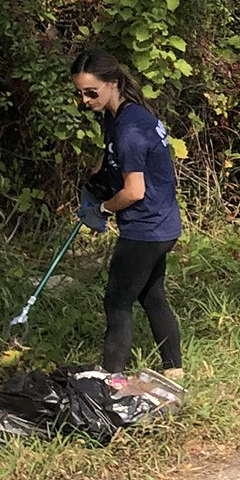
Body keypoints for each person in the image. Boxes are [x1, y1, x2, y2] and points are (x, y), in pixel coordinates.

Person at [71, 48, 185, 382]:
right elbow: (110, 159)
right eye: (79, 93)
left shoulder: (130, 130)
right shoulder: (121, 115)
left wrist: (103, 210)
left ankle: (112, 379)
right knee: (152, 295)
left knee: (117, 302)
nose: (85, 99)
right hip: (163, 224)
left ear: (114, 83)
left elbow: (134, 190)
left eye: (92, 92)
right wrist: (95, 185)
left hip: (146, 229)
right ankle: (174, 371)